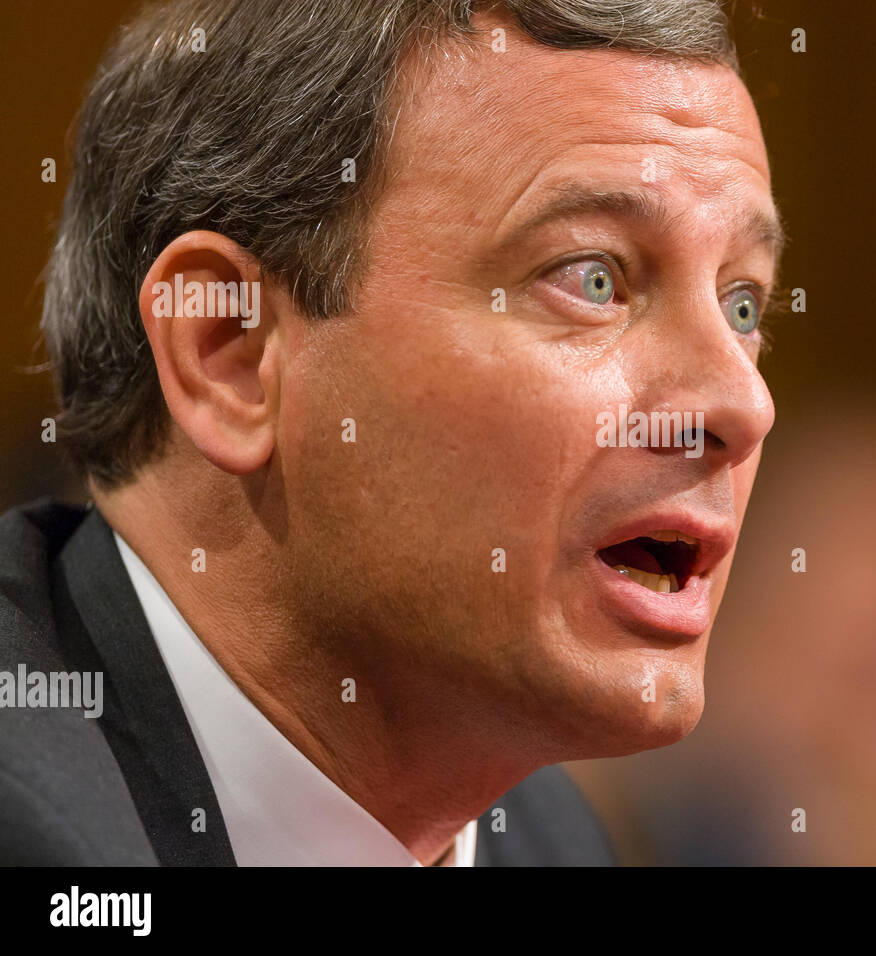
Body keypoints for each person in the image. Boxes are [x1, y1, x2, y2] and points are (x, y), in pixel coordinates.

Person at [0, 0, 783, 866]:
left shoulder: (547, 840)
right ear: (228, 351)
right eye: (593, 280)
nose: (742, 404)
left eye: (741, 304)